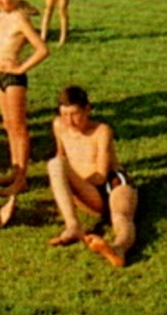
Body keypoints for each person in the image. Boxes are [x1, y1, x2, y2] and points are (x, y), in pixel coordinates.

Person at [46, 85, 139, 268]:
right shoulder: (59, 126)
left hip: (110, 184)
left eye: (75, 114)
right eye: (64, 115)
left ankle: (117, 249)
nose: (70, 121)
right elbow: (61, 155)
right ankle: (73, 226)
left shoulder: (102, 131)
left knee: (121, 216)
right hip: (87, 193)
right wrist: (67, 184)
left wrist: (73, 183)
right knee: (55, 164)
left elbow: (101, 176)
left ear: (87, 110)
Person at [0, 0, 50, 196]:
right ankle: (15, 171)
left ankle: (22, 179)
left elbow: (42, 49)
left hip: (14, 79)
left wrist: (21, 68)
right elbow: (2, 41)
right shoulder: (2, 15)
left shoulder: (20, 19)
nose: (0, 1)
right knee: (8, 125)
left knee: (19, 127)